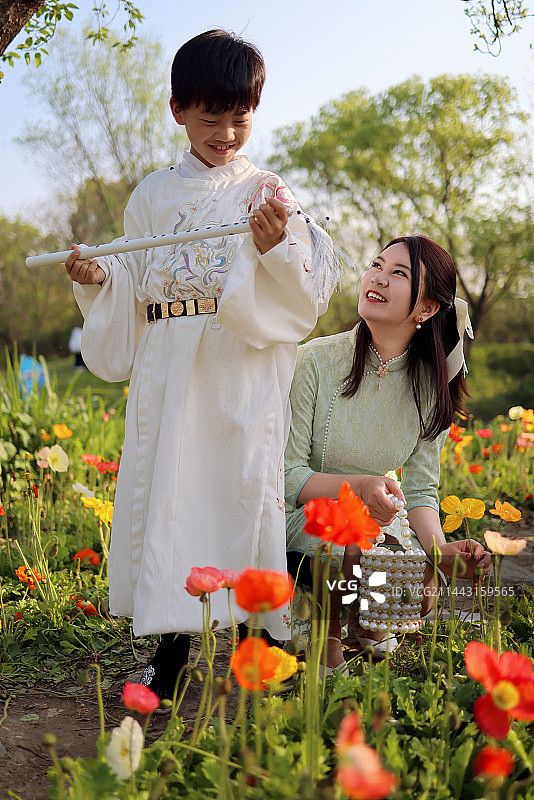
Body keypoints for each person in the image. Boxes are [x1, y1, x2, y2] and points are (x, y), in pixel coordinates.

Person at [64, 29, 333, 698]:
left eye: (241, 115)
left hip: (240, 358)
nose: (228, 132)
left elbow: (303, 285)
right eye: (212, 117)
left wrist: (274, 251)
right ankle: (173, 648)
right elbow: (132, 271)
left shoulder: (268, 190)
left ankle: (256, 640)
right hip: (169, 363)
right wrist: (99, 276)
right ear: (179, 111)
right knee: (172, 495)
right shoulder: (152, 193)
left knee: (243, 490)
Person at [285, 235, 492, 672]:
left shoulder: (430, 387)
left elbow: (420, 492)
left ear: (427, 308)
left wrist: (438, 552)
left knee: (416, 581)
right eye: (376, 266)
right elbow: (286, 476)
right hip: (305, 514)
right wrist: (359, 487)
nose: (377, 278)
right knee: (349, 541)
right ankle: (331, 643)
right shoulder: (314, 362)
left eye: (398, 274)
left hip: (379, 520)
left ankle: (374, 623)